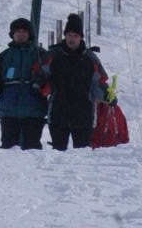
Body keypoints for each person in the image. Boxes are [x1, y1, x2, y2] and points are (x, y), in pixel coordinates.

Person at [39, 13, 109, 150]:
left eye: (75, 36)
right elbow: (41, 76)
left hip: (84, 116)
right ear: (65, 35)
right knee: (58, 155)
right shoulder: (53, 55)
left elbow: (98, 83)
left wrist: (106, 95)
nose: (72, 39)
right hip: (58, 115)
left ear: (81, 37)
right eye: (69, 35)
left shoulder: (90, 59)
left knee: (82, 156)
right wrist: (41, 82)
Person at [0, 17, 48, 150]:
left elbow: (51, 78)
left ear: (29, 34)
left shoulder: (41, 55)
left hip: (34, 111)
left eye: (24, 31)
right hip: (9, 112)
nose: (21, 34)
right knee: (9, 147)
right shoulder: (3, 57)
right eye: (18, 31)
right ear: (12, 34)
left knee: (32, 148)